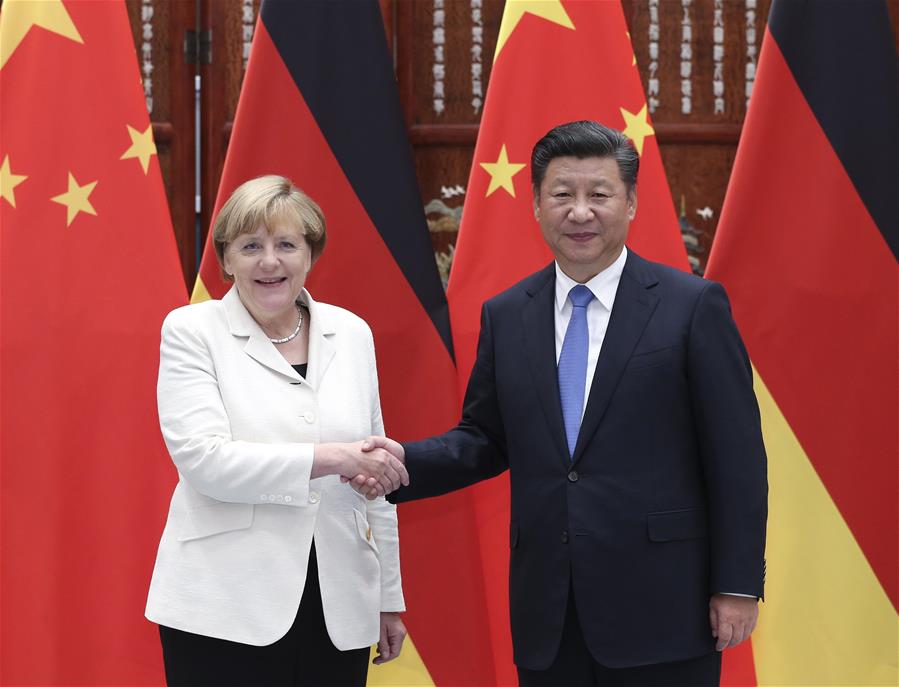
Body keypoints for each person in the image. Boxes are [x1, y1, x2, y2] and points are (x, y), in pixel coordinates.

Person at [358, 121, 767, 686]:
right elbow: (485, 438)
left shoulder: (690, 306)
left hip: (666, 607)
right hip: (549, 613)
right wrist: (396, 463)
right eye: (562, 195)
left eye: (598, 194)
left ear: (630, 204)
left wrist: (737, 584)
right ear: (536, 206)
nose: (580, 212)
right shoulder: (507, 314)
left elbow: (737, 457)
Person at [145, 175, 409, 687]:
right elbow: (206, 462)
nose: (270, 262)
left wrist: (387, 596)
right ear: (225, 259)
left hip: (338, 608)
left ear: (310, 253)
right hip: (223, 609)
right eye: (250, 246)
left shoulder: (351, 332)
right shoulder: (191, 331)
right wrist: (333, 458)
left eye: (287, 244)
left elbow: (378, 472)